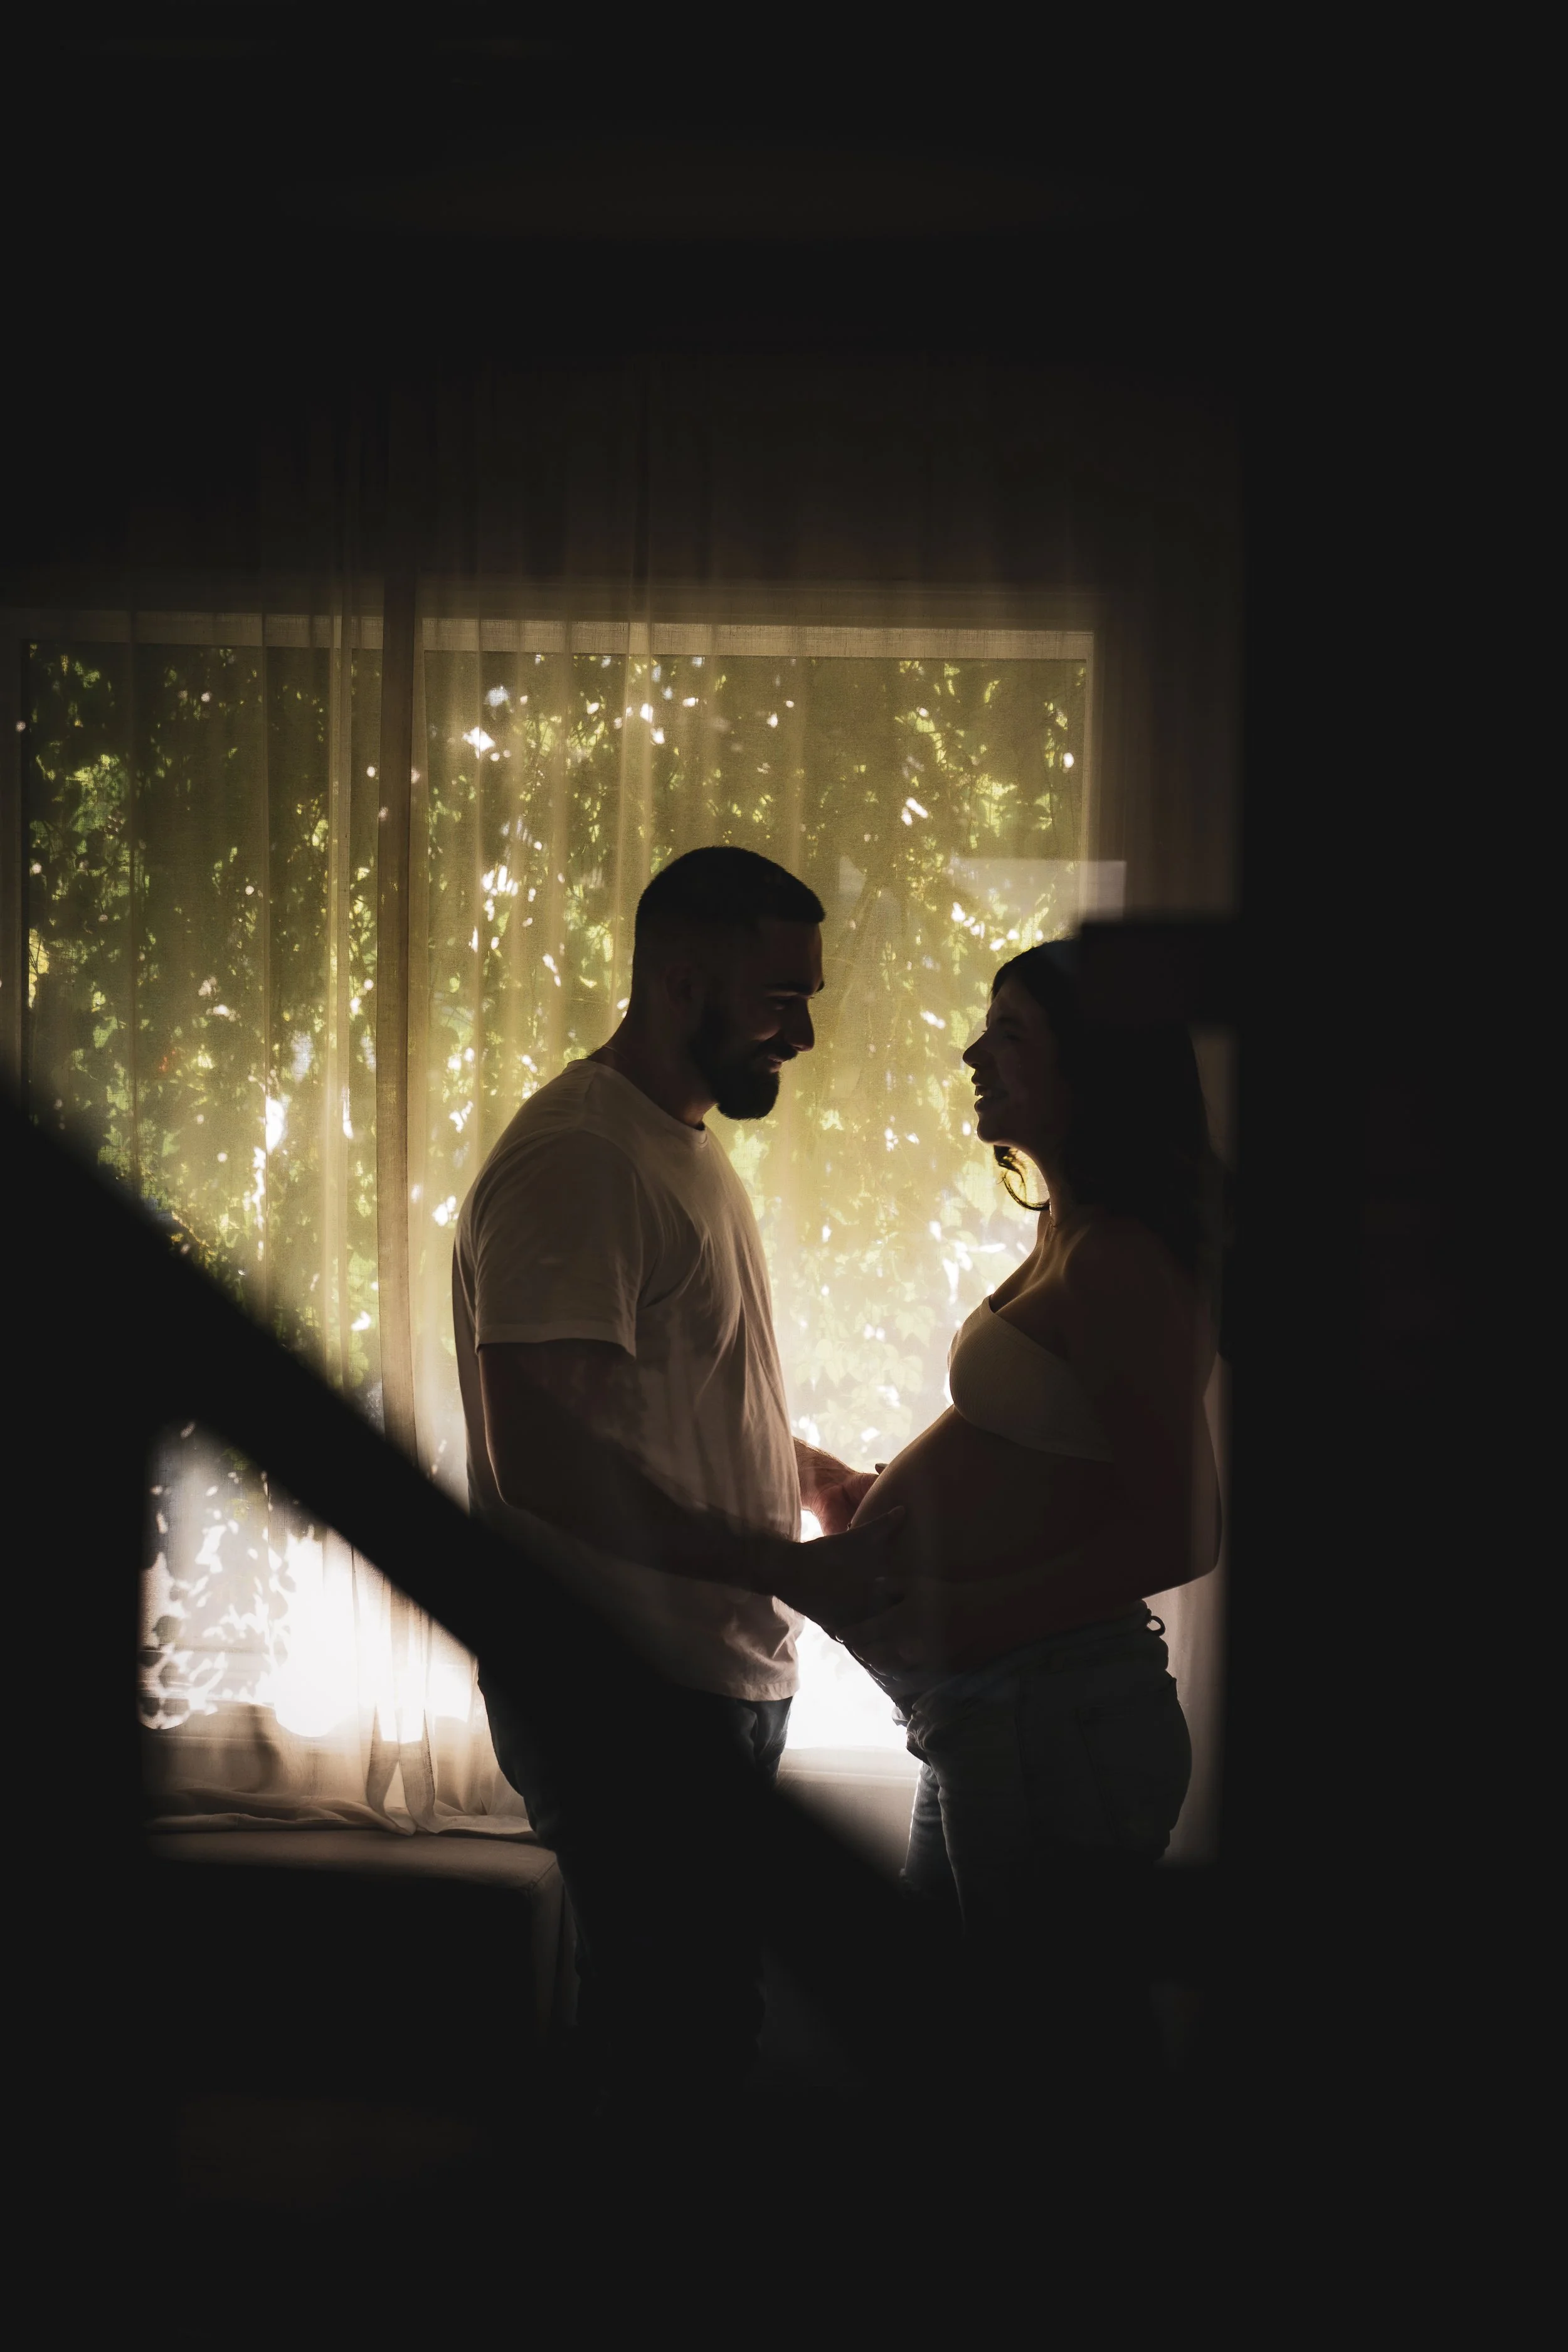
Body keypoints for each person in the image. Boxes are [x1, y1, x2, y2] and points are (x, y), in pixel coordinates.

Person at [452, 845, 896, 2114]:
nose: (802, 1035)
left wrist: (809, 1478)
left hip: (697, 1675)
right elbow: (543, 1456)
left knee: (694, 2020)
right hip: (623, 1691)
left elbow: (655, 1407)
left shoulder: (672, 1147)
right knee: (676, 2040)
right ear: (680, 981)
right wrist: (774, 1563)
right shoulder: (579, 1161)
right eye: (778, 1000)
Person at [830, 938, 1224, 2095]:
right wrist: (871, 1493)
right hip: (995, 1709)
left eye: (1008, 1033)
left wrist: (971, 1612)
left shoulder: (1119, 1259)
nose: (973, 1053)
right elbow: (1047, 1463)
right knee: (963, 2043)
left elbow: (1184, 1530)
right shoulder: (1067, 1233)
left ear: (1091, 1066)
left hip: (1057, 1714)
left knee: (1045, 2066)